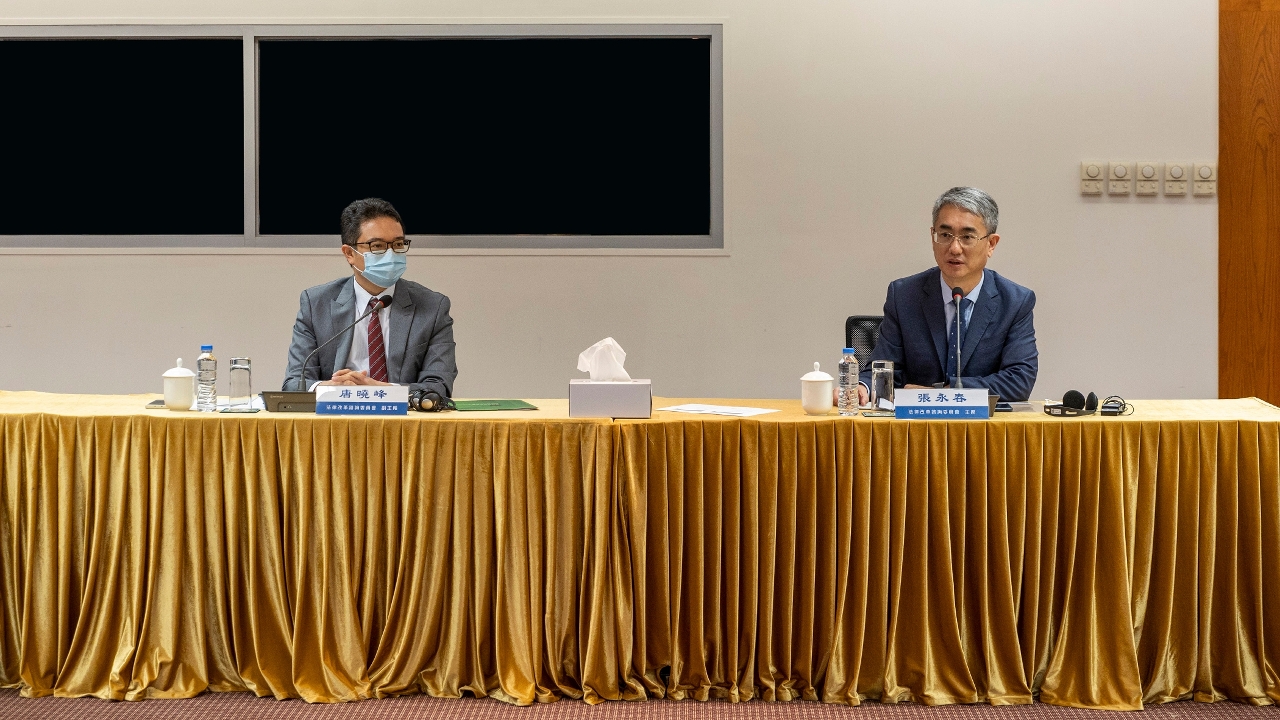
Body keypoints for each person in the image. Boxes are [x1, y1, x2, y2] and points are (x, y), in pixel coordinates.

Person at [857, 186, 1037, 403]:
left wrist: (943, 394)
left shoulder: (1015, 302)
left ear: (991, 244)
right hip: (915, 422)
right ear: (933, 237)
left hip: (984, 422)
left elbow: (1019, 380)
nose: (954, 248)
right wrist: (862, 387)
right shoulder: (904, 295)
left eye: (967, 237)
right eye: (945, 235)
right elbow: (883, 369)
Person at [283, 198, 457, 398]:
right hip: (335, 414)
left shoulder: (433, 307)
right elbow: (294, 383)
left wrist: (384, 391)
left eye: (398, 244)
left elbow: (439, 386)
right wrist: (330, 388)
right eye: (377, 246)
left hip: (402, 416)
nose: (391, 254)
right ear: (349, 253)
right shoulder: (316, 304)